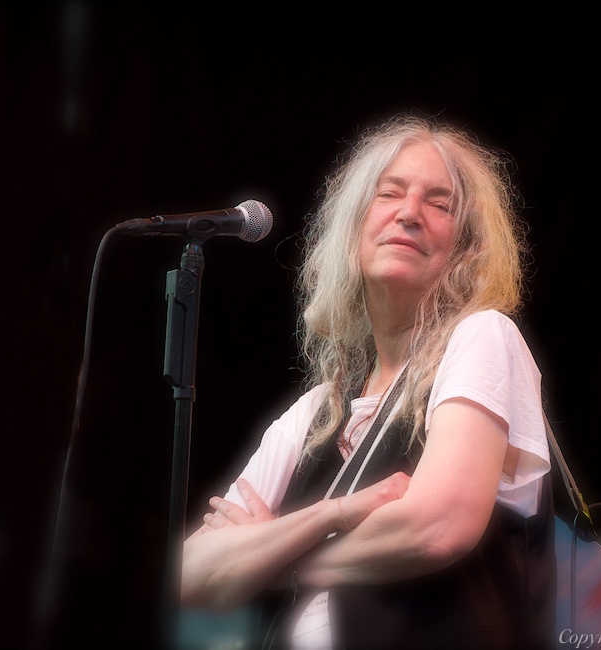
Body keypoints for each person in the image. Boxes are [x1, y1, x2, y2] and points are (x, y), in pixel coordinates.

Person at [181, 114, 556, 648]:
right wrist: (331, 516)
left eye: (440, 204)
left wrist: (275, 556)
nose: (409, 213)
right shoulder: (316, 410)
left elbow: (436, 526)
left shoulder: (482, 337)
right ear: (354, 229)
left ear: (466, 248)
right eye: (390, 193)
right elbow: (192, 574)